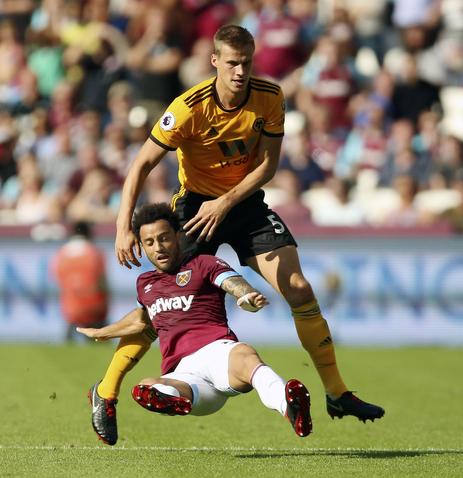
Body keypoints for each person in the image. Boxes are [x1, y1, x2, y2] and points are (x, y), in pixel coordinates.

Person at [89, 24, 384, 446]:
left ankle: (337, 393)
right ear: (215, 62)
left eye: (246, 62)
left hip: (242, 205)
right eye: (231, 63)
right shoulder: (189, 108)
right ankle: (105, 391)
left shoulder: (270, 96)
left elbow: (267, 165)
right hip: (193, 209)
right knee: (165, 306)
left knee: (299, 288)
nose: (240, 71)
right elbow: (140, 166)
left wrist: (226, 202)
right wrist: (123, 228)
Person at [78, 203, 312, 438]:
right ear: (142, 246)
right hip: (183, 374)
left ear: (178, 236)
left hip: (220, 354)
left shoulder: (203, 264)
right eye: (149, 242)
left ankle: (289, 406)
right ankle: (169, 398)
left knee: (246, 355)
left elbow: (234, 284)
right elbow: (141, 321)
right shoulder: (145, 284)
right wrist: (105, 331)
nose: (158, 247)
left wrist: (246, 295)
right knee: (148, 386)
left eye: (164, 238)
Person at [51, 221, 109, 342]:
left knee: (70, 335)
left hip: (71, 304)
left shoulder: (62, 253)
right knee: (98, 339)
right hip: (93, 304)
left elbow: (57, 278)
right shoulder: (95, 252)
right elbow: (102, 281)